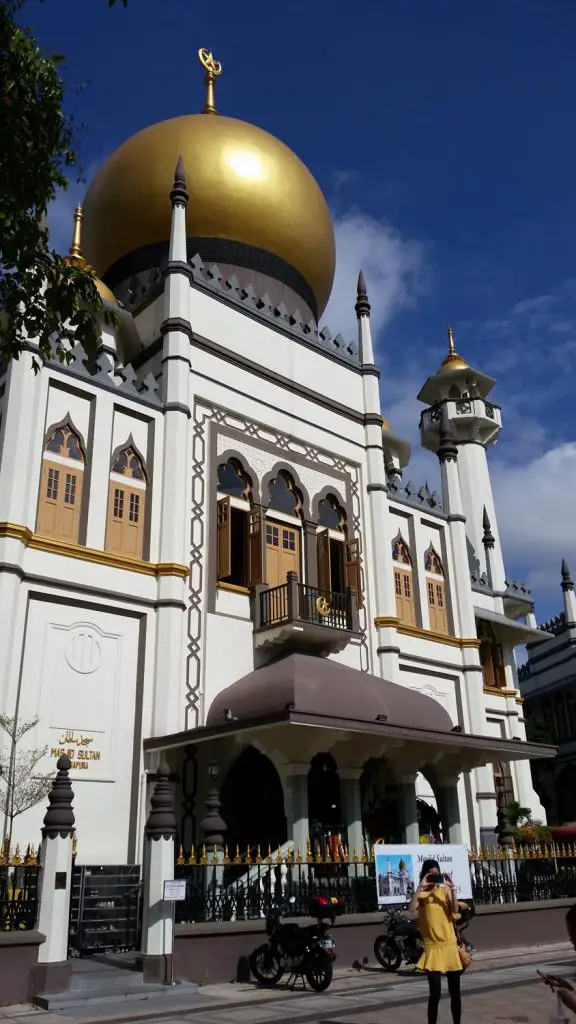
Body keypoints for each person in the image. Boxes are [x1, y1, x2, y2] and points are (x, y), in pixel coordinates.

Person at [408, 858, 462, 1024]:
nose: (434, 878)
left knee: (455, 992)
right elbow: (411, 909)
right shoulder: (422, 895)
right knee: (435, 993)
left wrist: (452, 889)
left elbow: (454, 909)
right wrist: (421, 886)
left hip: (449, 944)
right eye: (430, 875)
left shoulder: (444, 891)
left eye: (436, 875)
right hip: (432, 947)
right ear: (424, 875)